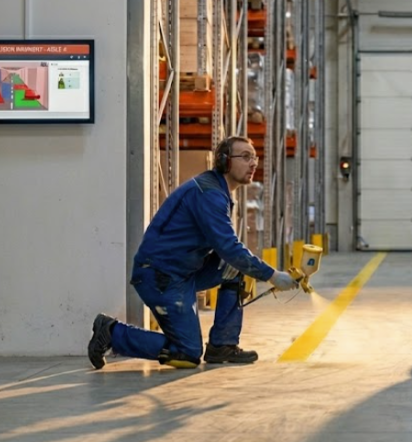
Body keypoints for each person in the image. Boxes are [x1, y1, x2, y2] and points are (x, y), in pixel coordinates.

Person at [87, 136, 299, 369]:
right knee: (187, 353)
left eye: (255, 157)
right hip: (160, 276)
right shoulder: (209, 194)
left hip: (184, 270)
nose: (253, 163)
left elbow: (230, 253)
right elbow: (228, 246)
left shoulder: (217, 190)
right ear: (225, 161)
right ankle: (112, 333)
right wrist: (272, 275)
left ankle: (222, 345)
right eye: (246, 157)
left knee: (233, 268)